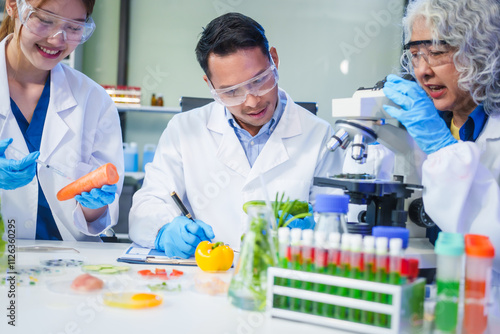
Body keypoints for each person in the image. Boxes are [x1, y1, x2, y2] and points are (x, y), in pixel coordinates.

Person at [129, 12, 343, 257]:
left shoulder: (320, 135)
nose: (252, 101)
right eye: (231, 92)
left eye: (259, 81)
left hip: (281, 277)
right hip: (203, 280)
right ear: (210, 86)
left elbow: (338, 221)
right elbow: (145, 207)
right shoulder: (183, 130)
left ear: (274, 59)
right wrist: (164, 230)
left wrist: (315, 232)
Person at [382, 0, 500, 283]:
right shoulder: (425, 126)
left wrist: (443, 152)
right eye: (414, 55)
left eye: (435, 53)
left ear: (481, 51)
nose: (422, 71)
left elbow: (491, 241)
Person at [0, 0, 124, 241]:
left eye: (75, 28)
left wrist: (94, 205)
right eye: (45, 20)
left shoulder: (93, 99)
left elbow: (100, 217)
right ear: (13, 6)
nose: (58, 39)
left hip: (72, 263)